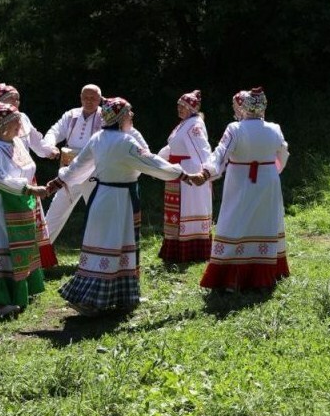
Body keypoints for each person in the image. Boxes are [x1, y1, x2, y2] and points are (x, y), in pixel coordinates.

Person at [47, 98, 189, 316]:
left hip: (103, 197)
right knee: (116, 244)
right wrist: (183, 174)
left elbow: (76, 167)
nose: (131, 117)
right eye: (129, 113)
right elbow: (153, 163)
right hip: (119, 200)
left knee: (107, 244)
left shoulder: (98, 138)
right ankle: (93, 301)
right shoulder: (126, 142)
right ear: (121, 116)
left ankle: (120, 297)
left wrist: (58, 182)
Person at [189, 87, 290, 293]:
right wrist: (272, 172)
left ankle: (231, 275)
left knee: (235, 219)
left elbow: (220, 153)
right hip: (268, 180)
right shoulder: (275, 128)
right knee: (266, 221)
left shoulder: (235, 128)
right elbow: (283, 154)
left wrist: (206, 173)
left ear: (244, 107)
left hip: (241, 180)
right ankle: (265, 272)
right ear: (263, 106)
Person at [0, 101, 50, 318]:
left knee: (21, 243)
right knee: (0, 243)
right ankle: (1, 302)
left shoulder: (14, 140)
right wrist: (30, 188)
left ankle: (21, 290)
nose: (20, 128)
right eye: (16, 123)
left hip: (19, 199)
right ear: (3, 125)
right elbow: (0, 180)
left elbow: (26, 164)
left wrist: (29, 188)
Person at [42, 85, 151, 243]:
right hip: (70, 170)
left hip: (94, 173)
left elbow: (130, 131)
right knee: (55, 213)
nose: (89, 101)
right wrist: (49, 146)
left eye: (93, 98)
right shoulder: (71, 115)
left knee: (97, 214)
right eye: (85, 97)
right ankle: (39, 256)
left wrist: (145, 153)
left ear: (100, 99)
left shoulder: (108, 115)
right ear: (80, 98)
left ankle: (103, 251)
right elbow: (55, 130)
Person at [0, 83, 58, 271]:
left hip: (25, 176)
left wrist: (49, 151)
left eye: (18, 98)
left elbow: (36, 141)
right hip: (2, 179)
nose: (16, 101)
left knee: (29, 222)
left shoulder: (22, 117)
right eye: (11, 98)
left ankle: (31, 263)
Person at [157, 90, 213, 262]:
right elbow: (171, 147)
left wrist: (205, 172)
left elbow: (203, 150)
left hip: (189, 172)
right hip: (176, 170)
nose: (180, 109)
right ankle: (174, 248)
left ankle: (191, 250)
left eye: (184, 106)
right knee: (176, 211)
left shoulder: (194, 124)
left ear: (192, 109)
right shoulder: (184, 124)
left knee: (186, 208)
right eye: (179, 105)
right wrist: (157, 162)